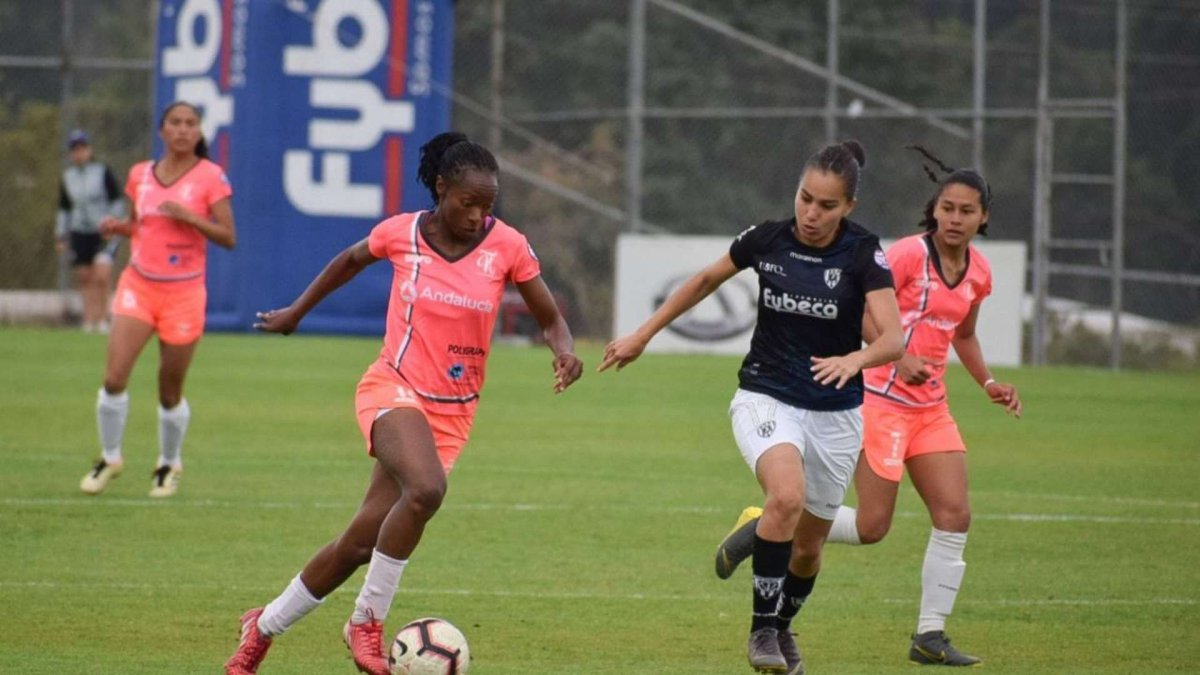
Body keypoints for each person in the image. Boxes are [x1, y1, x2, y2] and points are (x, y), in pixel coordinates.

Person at [223, 132, 583, 675]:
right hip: (392, 387)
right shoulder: (402, 234)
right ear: (442, 189)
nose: (477, 215)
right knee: (427, 489)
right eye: (468, 202)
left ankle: (263, 627)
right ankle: (366, 620)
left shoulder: (507, 244)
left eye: (487, 205)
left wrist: (565, 351)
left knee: (359, 544)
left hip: (453, 411)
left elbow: (549, 315)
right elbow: (347, 261)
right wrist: (297, 311)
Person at [599, 141, 903, 675]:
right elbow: (705, 281)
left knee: (808, 549)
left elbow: (893, 339)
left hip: (835, 413)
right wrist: (642, 335)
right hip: (765, 394)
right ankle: (761, 630)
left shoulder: (862, 253)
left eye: (826, 205)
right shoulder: (768, 238)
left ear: (848, 207)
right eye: (805, 198)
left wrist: (856, 359)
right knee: (785, 498)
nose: (811, 213)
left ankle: (782, 628)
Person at [713, 146, 1023, 668]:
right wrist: (890, 354)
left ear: (983, 217)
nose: (954, 218)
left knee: (955, 515)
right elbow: (850, 310)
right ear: (934, 208)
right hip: (876, 395)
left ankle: (930, 634)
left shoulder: (980, 273)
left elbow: (963, 333)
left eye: (966, 211)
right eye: (947, 208)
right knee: (873, 526)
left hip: (932, 406)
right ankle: (771, 520)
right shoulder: (901, 255)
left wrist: (987, 380)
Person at [78, 102, 236, 498]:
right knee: (114, 378)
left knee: (169, 389)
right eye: (175, 123)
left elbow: (228, 237)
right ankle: (110, 456)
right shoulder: (140, 175)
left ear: (199, 133)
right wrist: (120, 228)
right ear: (162, 130)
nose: (183, 130)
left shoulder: (210, 177)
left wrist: (191, 218)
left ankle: (168, 463)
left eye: (190, 124)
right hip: (139, 285)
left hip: (183, 292)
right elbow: (141, 224)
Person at [56, 129, 126, 333]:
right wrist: (61, 234)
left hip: (104, 231)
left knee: (101, 276)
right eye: (75, 149)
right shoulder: (68, 177)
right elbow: (64, 208)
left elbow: (116, 201)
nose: (79, 153)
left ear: (89, 150)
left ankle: (104, 319)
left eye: (82, 148)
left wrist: (115, 226)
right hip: (80, 232)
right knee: (85, 276)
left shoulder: (102, 172)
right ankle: (89, 320)